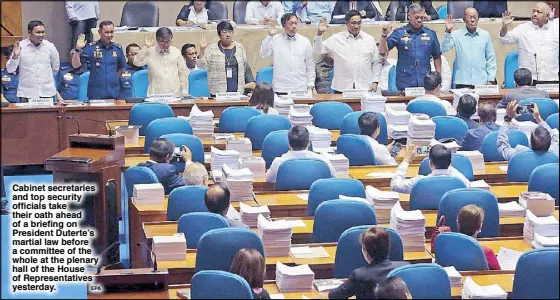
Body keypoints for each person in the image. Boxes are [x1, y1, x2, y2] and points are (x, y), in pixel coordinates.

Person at [328, 227, 409, 299]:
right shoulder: (404, 268)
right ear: (388, 247)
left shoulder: (359, 275)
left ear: (365, 251)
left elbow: (334, 296)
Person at [313, 11, 382, 93]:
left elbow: (376, 62)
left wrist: (375, 81)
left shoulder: (369, 40)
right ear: (346, 23)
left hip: (365, 87)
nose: (356, 26)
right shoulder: (336, 39)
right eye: (353, 23)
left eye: (359, 23)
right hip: (341, 88)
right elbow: (318, 50)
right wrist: (319, 34)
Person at [379, 3, 442, 91]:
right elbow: (382, 51)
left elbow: (437, 56)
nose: (419, 20)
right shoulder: (399, 33)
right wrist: (384, 36)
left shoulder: (430, 34)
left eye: (422, 17)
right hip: (405, 82)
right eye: (416, 17)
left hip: (425, 82)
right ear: (409, 16)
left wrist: (438, 78)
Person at [499, 3, 559, 84]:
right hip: (528, 82)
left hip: (552, 80)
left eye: (539, 12)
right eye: (533, 11)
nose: (534, 14)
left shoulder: (555, 29)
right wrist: (504, 27)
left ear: (547, 16)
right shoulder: (523, 28)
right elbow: (504, 39)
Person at [260, 12, 315, 94]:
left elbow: (310, 66)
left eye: (296, 23)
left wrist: (311, 85)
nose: (294, 26)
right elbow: (263, 54)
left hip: (300, 88)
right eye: (291, 23)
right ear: (283, 25)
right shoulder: (275, 39)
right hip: (280, 88)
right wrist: (269, 36)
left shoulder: (305, 41)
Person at [442, 8, 497, 88]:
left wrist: (491, 79)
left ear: (478, 19)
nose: (472, 20)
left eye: (475, 17)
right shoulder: (456, 34)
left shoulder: (485, 35)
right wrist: (447, 31)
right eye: (469, 17)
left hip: (481, 82)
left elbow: (491, 58)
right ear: (464, 19)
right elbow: (444, 48)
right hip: (461, 82)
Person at [6, 21, 60, 102]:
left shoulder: (50, 47)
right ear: (29, 32)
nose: (41, 35)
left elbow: (55, 68)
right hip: (27, 94)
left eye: (43, 32)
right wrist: (15, 56)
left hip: (47, 93)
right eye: (38, 32)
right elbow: (10, 69)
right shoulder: (20, 46)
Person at [198, 21, 256, 95]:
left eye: (230, 31)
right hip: (218, 92)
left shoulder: (239, 47)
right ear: (219, 34)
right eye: (224, 32)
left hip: (237, 92)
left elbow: (245, 66)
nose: (227, 34)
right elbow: (201, 66)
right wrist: (202, 50)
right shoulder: (212, 49)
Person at [72, 21, 126, 100]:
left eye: (111, 32)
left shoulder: (117, 48)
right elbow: (76, 67)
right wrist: (77, 49)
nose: (109, 35)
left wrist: (113, 79)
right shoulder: (91, 48)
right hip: (96, 94)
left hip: (114, 93)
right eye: (106, 32)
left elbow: (121, 68)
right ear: (99, 32)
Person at [266, 126, 336, 183]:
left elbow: (269, 179)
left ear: (289, 144)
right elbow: (333, 177)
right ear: (309, 143)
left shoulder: (278, 162)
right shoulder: (323, 161)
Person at [390, 144, 470, 194]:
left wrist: (406, 161)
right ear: (450, 163)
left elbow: (395, 185)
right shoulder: (460, 181)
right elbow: (468, 184)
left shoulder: (419, 182)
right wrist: (443, 157)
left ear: (430, 163)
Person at [133, 28, 188, 98]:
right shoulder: (150, 52)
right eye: (162, 41)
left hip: (175, 94)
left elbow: (182, 73)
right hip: (155, 95)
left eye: (168, 41)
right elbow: (137, 62)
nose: (165, 44)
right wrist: (146, 47)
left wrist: (184, 90)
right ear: (157, 40)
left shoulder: (176, 52)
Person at [457, 205, 501, 270]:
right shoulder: (486, 253)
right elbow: (498, 274)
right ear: (480, 226)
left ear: (458, 224)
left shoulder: (446, 249)